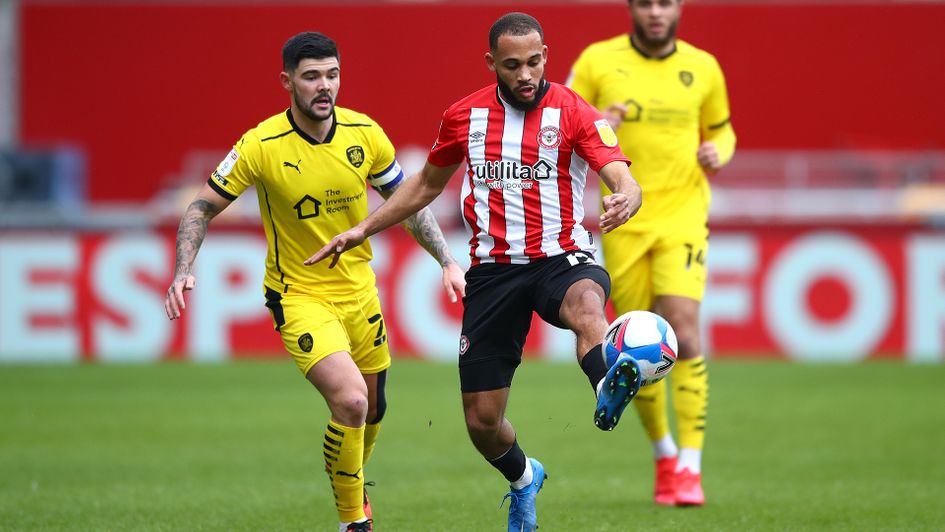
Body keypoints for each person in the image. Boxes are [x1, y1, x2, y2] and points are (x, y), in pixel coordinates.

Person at [305, 13, 643, 531]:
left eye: (534, 62)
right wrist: (361, 230)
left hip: (561, 257)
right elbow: (421, 188)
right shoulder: (463, 117)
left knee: (586, 307)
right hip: (493, 274)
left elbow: (619, 171)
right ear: (492, 64)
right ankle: (525, 476)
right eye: (512, 65)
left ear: (546, 56)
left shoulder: (574, 111)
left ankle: (606, 387)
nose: (526, 74)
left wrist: (627, 194)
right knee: (483, 424)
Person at [162, 32, 465, 532]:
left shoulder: (364, 134)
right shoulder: (259, 145)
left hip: (359, 290)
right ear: (287, 82)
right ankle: (353, 521)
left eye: (332, 74)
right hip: (299, 295)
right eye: (311, 77)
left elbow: (408, 204)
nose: (325, 87)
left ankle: (346, 472)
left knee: (372, 411)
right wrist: (182, 269)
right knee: (350, 401)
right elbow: (202, 206)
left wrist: (446, 261)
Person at [567, 0, 737, 507]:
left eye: (665, 2)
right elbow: (559, 124)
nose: (656, 12)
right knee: (635, 346)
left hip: (683, 216)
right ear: (631, 8)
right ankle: (664, 455)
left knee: (683, 330)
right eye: (645, 3)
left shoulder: (703, 67)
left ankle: (690, 464)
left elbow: (723, 129)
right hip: (624, 218)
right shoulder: (598, 60)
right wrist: (599, 120)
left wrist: (717, 152)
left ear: (678, 7)